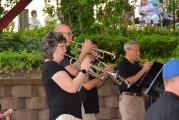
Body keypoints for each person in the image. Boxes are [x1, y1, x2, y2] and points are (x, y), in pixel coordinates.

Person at [42, 31, 91, 120]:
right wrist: (83, 70)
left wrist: (85, 71)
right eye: (62, 46)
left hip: (69, 114)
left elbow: (77, 87)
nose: (65, 50)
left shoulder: (56, 66)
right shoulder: (50, 65)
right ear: (54, 47)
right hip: (64, 115)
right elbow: (72, 87)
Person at [115, 41, 151, 120]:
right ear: (127, 50)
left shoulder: (137, 65)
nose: (139, 53)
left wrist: (149, 70)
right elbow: (128, 82)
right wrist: (143, 70)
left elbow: (141, 80)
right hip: (128, 99)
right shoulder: (122, 64)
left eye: (139, 51)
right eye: (136, 51)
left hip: (139, 98)